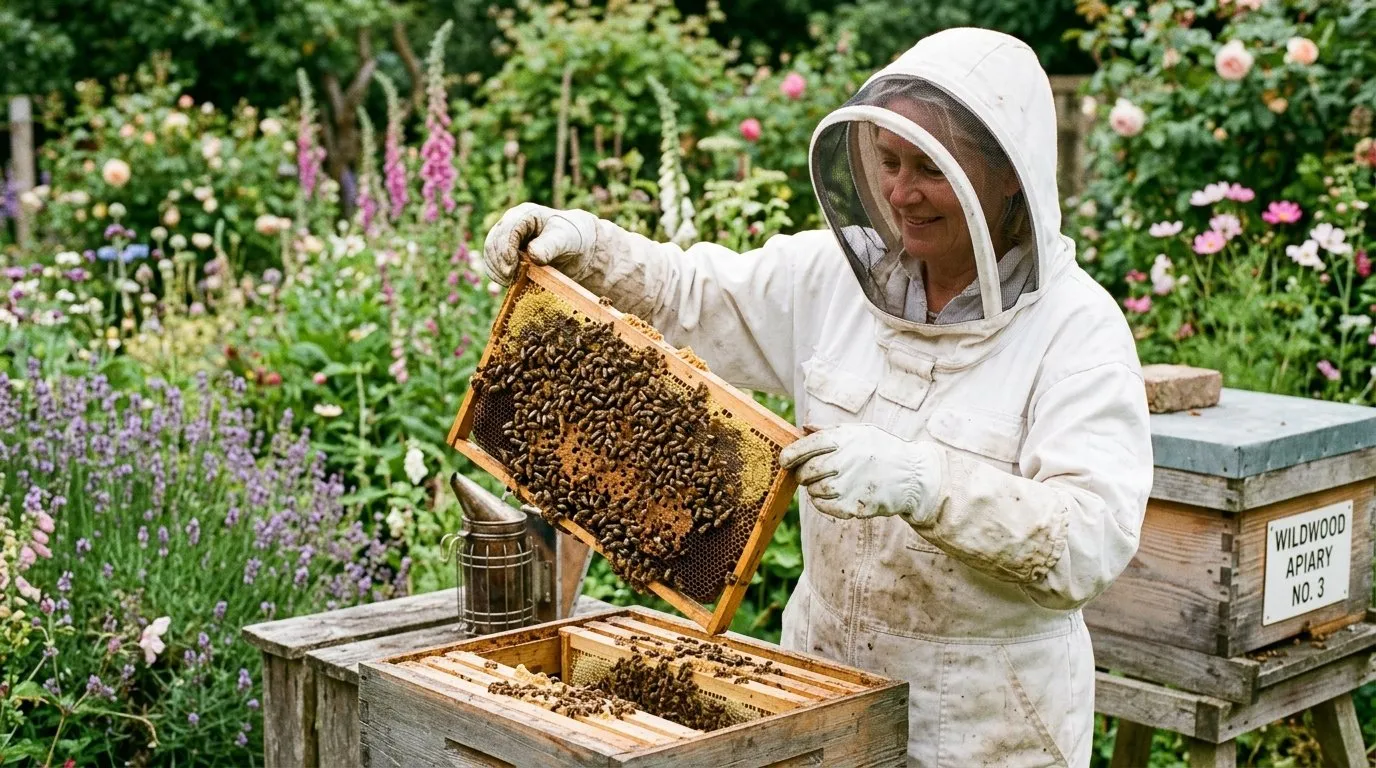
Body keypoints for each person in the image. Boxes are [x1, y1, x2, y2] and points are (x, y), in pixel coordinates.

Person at [481, 26, 1153, 768]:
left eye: (930, 168)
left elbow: (1089, 541)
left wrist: (926, 483)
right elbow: (692, 295)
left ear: (1004, 177)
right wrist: (589, 243)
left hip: (985, 720)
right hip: (820, 680)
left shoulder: (1077, 330)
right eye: (888, 162)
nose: (901, 192)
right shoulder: (832, 278)